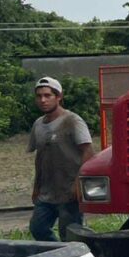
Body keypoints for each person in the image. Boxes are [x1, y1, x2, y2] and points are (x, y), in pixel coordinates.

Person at [28, 77, 94, 242]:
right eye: (39, 96)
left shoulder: (72, 121)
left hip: (69, 191)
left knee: (69, 234)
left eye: (48, 95)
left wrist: (79, 183)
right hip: (46, 192)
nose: (43, 100)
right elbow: (40, 157)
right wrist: (36, 187)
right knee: (38, 228)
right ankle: (55, 253)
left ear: (58, 97)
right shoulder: (38, 125)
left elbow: (88, 151)